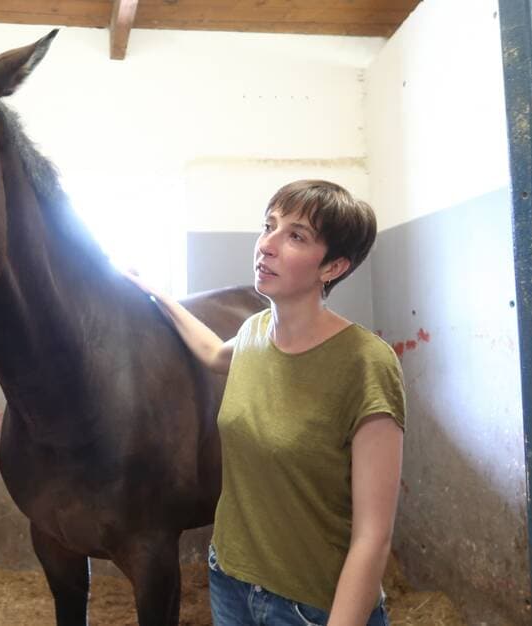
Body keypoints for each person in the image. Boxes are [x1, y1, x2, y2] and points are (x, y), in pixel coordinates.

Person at [127, 179, 405, 626]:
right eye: (268, 226)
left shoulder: (367, 364)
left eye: (295, 236)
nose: (267, 246)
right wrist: (159, 296)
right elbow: (213, 353)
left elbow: (374, 536)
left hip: (309, 605)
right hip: (230, 582)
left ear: (333, 266)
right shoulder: (255, 332)